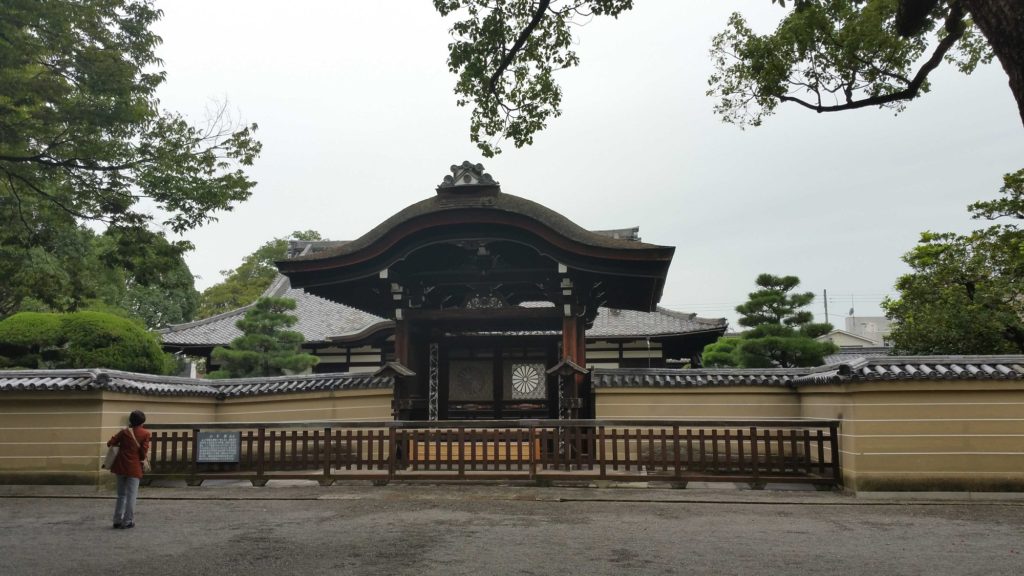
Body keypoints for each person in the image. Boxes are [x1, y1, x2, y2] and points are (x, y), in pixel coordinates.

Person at [107, 410, 151, 529]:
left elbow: (110, 443)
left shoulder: (124, 432)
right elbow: (143, 453)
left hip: (120, 466)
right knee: (131, 495)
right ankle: (128, 521)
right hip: (134, 468)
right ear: (143, 421)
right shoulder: (145, 433)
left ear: (130, 421)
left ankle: (117, 520)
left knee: (121, 495)